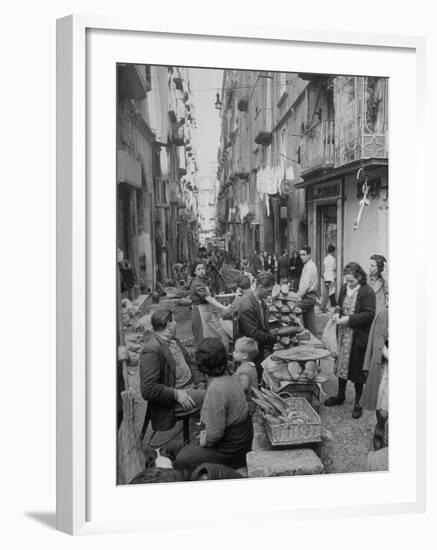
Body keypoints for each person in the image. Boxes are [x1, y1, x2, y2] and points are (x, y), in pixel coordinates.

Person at [174, 338, 253, 475]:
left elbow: (215, 435)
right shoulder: (229, 372)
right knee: (187, 449)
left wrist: (204, 439)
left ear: (201, 364)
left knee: (183, 458)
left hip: (233, 448)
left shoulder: (216, 388)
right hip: (244, 435)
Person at [140, 308, 206, 433]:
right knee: (213, 397)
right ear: (169, 325)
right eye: (174, 321)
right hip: (171, 401)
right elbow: (148, 390)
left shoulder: (174, 340)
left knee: (217, 384)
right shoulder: (151, 349)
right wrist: (176, 394)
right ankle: (211, 441)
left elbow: (190, 363)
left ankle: (205, 432)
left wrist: (201, 382)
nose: (176, 323)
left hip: (191, 387)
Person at [324, 262, 376, 419]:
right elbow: (339, 305)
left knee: (357, 369)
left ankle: (358, 402)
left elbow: (369, 314)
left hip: (357, 336)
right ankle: (340, 395)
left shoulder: (367, 292)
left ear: (360, 277)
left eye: (351, 281)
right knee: (341, 364)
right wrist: (337, 313)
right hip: (343, 334)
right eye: (347, 281)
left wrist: (349, 319)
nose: (348, 283)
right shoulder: (344, 288)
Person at [238, 271, 292, 381]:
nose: (270, 294)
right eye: (268, 291)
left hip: (258, 349)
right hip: (249, 352)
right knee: (252, 380)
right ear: (260, 287)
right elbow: (254, 334)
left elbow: (263, 325)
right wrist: (275, 338)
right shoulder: (247, 305)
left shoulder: (260, 302)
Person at [360, 305, 389, 450]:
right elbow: (375, 339)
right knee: (383, 406)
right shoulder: (385, 313)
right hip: (387, 366)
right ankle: (380, 429)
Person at [190, 262, 229, 351]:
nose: (201, 271)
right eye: (199, 269)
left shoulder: (203, 281)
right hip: (200, 312)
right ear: (194, 272)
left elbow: (211, 296)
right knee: (202, 338)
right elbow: (208, 299)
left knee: (215, 335)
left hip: (206, 311)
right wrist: (223, 307)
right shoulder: (196, 283)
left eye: (203, 268)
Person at [233, 337, 259, 414]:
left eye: (236, 351)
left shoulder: (243, 370)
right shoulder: (252, 366)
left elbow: (242, 389)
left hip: (246, 405)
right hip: (253, 403)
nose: (233, 353)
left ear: (245, 355)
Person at [296, 246, 319, 334]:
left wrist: (297, 297)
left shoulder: (309, 267)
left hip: (308, 296)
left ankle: (295, 331)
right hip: (310, 296)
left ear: (309, 255)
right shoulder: (309, 265)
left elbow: (305, 286)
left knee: (293, 309)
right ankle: (314, 340)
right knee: (309, 322)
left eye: (304, 254)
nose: (301, 257)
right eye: (300, 255)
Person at [320, 244, 337, 312]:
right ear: (333, 251)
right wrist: (335, 277)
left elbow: (324, 267)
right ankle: (323, 307)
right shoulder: (333, 259)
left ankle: (324, 306)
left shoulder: (325, 258)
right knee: (328, 293)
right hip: (330, 277)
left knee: (326, 292)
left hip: (325, 276)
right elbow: (334, 268)